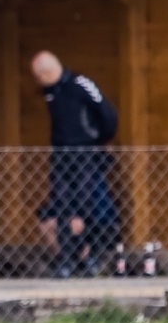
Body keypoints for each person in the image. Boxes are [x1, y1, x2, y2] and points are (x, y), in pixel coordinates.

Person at [30, 51, 120, 277]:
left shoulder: (79, 85)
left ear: (48, 72)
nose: (38, 83)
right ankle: (66, 262)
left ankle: (89, 259)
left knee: (85, 207)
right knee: (62, 207)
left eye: (39, 77)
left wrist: (95, 139)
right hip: (60, 156)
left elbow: (107, 114)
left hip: (85, 154)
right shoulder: (51, 92)